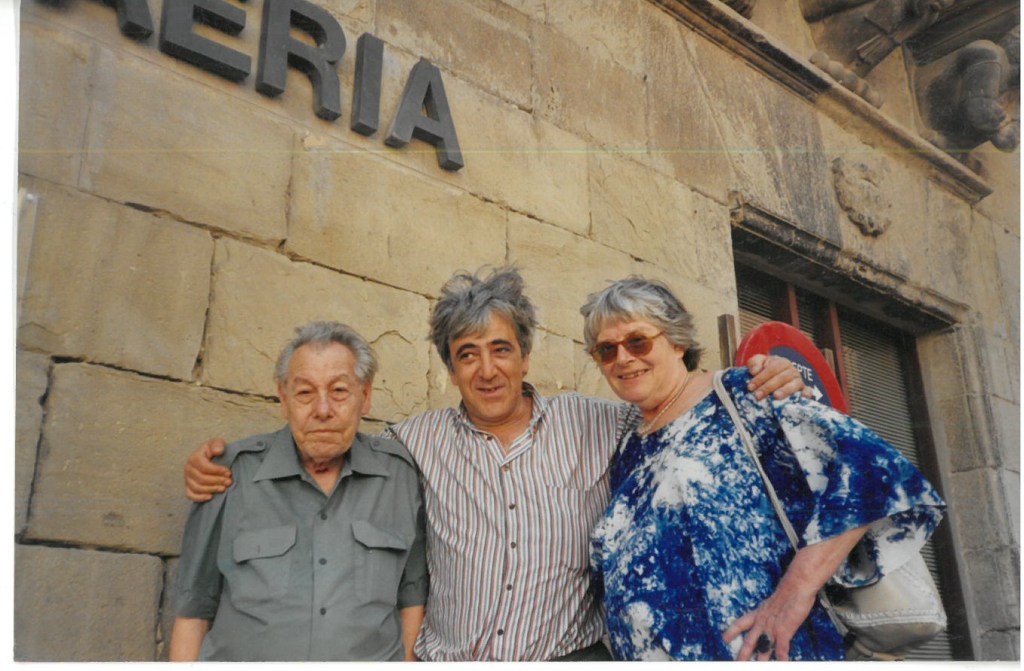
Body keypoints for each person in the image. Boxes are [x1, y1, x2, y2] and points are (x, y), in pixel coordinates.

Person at [183, 267, 805, 661]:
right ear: (450, 368)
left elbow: (669, 400)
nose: (487, 370)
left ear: (525, 356)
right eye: (467, 354)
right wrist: (220, 462)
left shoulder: (600, 423)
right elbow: (328, 436)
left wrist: (758, 376)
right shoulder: (413, 443)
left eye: (501, 349)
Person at [580, 277, 946, 661]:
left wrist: (796, 590)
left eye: (638, 341)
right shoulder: (628, 447)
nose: (623, 358)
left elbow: (871, 472)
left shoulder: (745, 394)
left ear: (677, 342)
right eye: (606, 350)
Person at [169, 321, 427, 661]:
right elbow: (193, 609)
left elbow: (412, 598)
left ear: (365, 397)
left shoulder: (399, 477)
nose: (323, 410)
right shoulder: (229, 474)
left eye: (339, 391)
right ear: (284, 399)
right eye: (305, 393)